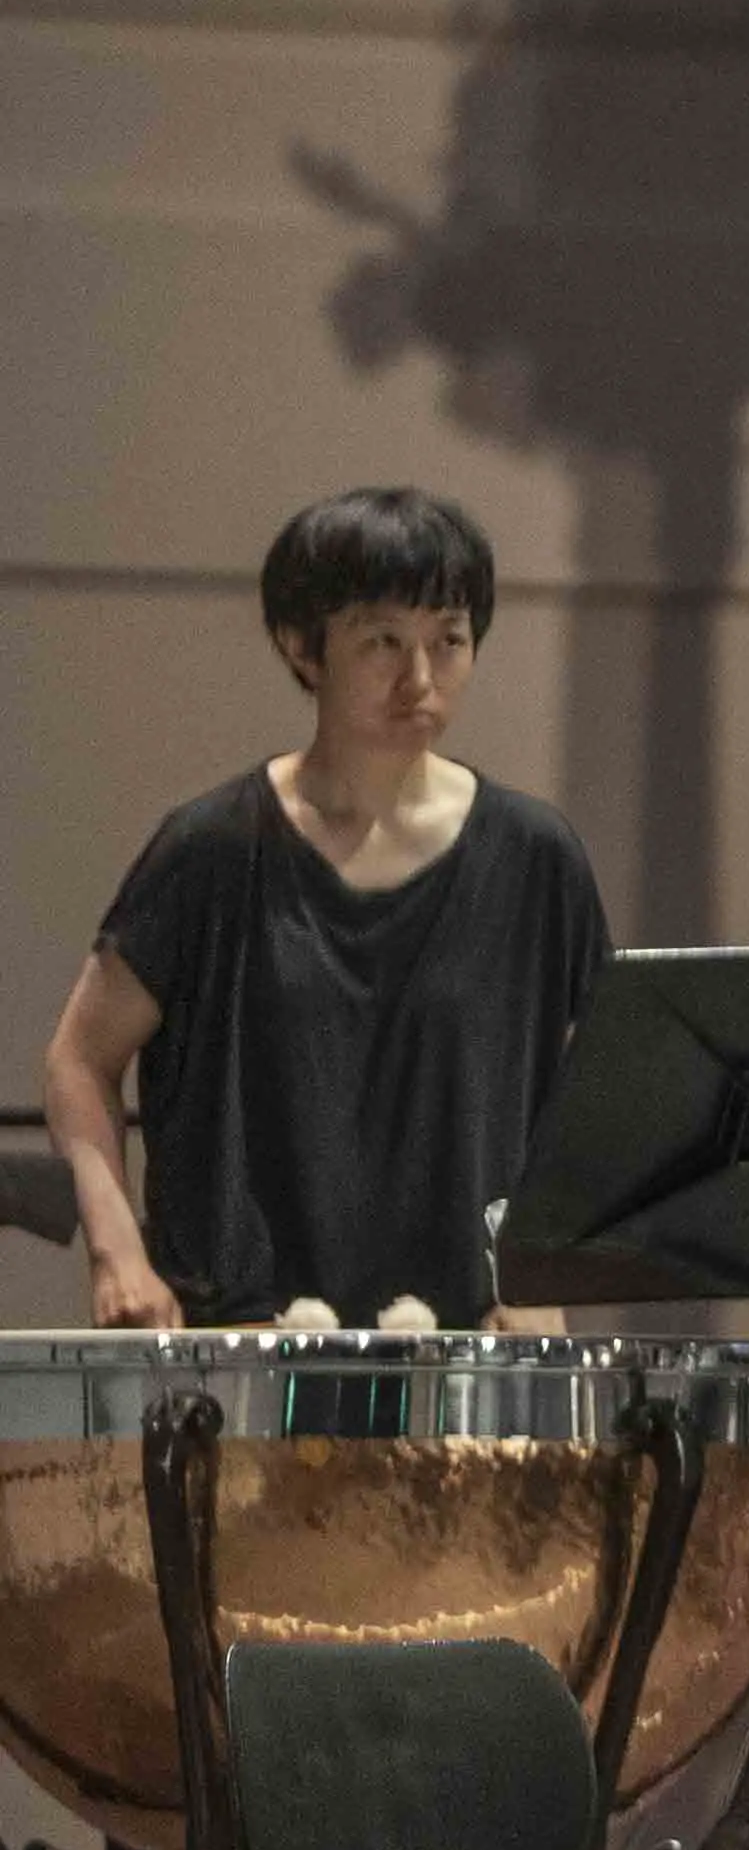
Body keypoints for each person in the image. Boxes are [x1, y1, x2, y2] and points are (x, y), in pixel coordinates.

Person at [38, 486, 612, 1331]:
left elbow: (601, 1094)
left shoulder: (534, 857)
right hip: (243, 1349)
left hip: (465, 1354)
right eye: (382, 640)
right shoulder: (211, 851)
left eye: (448, 640)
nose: (420, 677)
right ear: (304, 649)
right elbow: (77, 1061)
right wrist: (117, 1251)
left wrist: (546, 1276)